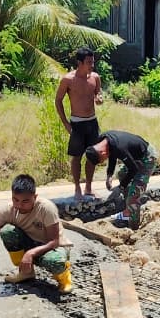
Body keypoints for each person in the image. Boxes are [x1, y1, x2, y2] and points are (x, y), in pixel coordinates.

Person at [0, 173, 73, 295]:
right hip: (31, 242)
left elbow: (54, 242)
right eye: (15, 200)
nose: (19, 205)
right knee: (8, 231)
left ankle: (65, 279)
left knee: (55, 261)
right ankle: (26, 273)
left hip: (53, 247)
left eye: (25, 201)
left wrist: (30, 253)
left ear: (35, 197)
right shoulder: (9, 210)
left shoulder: (46, 208)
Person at [68, 130, 158, 230]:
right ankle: (127, 210)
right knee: (122, 174)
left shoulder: (120, 147)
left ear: (102, 152)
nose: (105, 160)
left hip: (147, 157)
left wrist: (120, 187)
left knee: (133, 197)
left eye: (103, 159)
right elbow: (112, 154)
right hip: (136, 157)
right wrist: (109, 175)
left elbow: (134, 169)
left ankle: (134, 227)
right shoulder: (103, 140)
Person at [55, 47, 103, 202]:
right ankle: (77, 188)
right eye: (88, 62)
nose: (92, 65)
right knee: (76, 157)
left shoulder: (95, 77)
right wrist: (65, 123)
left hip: (92, 122)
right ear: (79, 62)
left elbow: (98, 93)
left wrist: (99, 98)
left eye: (93, 62)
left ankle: (88, 186)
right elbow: (58, 101)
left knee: (92, 156)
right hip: (77, 123)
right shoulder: (68, 79)